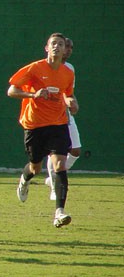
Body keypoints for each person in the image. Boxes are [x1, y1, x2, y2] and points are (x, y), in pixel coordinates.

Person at [7, 32, 78, 228]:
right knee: (35, 167)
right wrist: (33, 94)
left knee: (59, 165)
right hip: (35, 124)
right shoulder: (35, 68)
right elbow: (11, 90)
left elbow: (68, 94)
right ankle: (25, 178)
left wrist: (72, 102)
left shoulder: (68, 73)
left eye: (61, 44)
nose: (56, 47)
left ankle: (59, 212)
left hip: (58, 123)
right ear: (47, 48)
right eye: (53, 43)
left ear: (65, 50)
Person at [45, 38, 82, 200]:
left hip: (66, 115)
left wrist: (73, 103)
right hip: (50, 116)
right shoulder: (46, 67)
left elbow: (69, 93)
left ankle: (56, 174)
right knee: (53, 154)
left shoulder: (70, 68)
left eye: (70, 47)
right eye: (65, 46)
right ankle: (55, 185)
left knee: (75, 151)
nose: (68, 50)